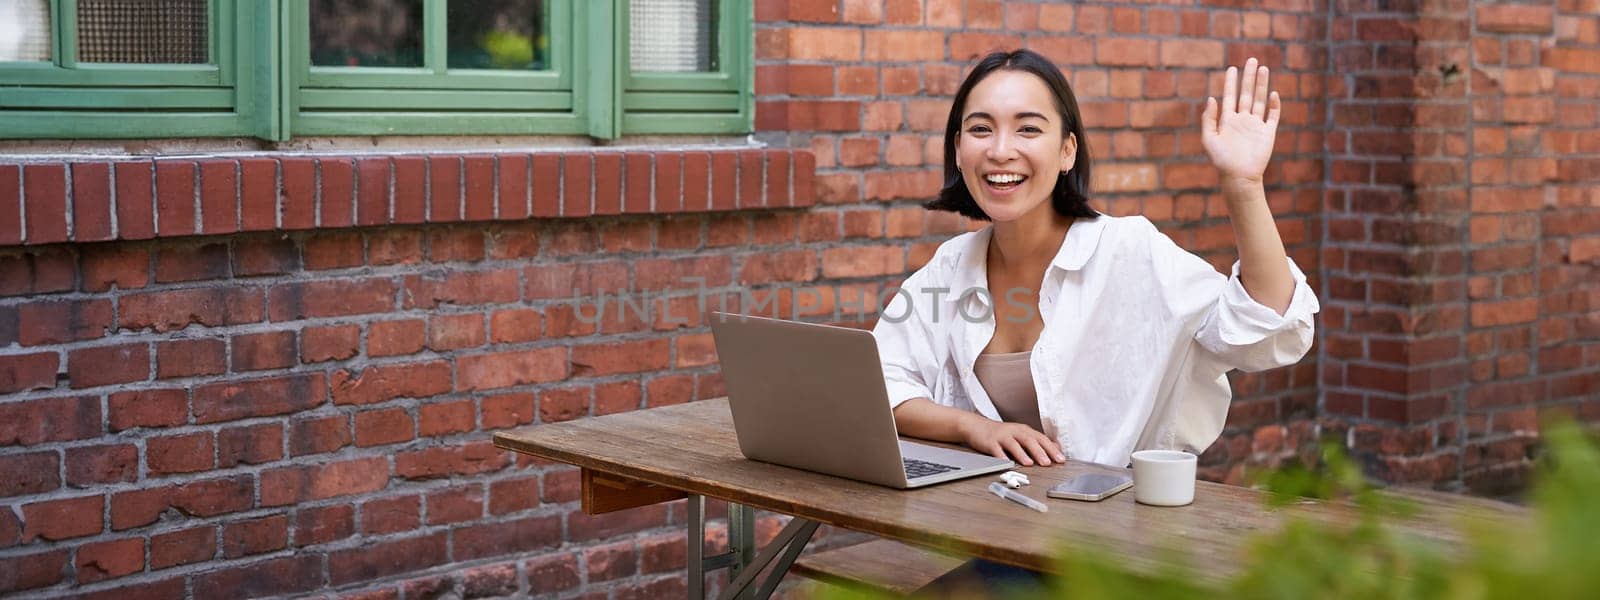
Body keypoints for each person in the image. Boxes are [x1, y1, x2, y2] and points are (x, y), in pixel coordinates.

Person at [873, 46, 1320, 597]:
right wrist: (976, 427)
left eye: (1028, 129)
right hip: (1003, 534)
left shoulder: (1128, 251)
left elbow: (1267, 330)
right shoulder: (953, 267)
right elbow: (879, 382)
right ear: (959, 149)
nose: (1001, 150)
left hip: (1120, 547)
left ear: (1067, 151)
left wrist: (1244, 186)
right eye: (980, 128)